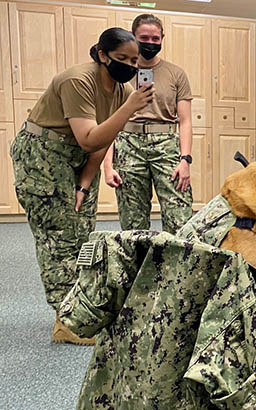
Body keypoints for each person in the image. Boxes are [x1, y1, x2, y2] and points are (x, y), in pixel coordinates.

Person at [10, 27, 154, 344]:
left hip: (78, 158)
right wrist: (130, 108)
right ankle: (66, 322)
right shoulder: (78, 80)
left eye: (134, 60)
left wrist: (85, 184)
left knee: (83, 235)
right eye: (122, 59)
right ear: (102, 55)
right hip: (43, 157)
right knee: (59, 237)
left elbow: (102, 141)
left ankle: (82, 309)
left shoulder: (119, 90)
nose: (130, 66)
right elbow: (89, 136)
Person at [104, 14, 193, 234]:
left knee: (179, 217)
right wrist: (107, 165)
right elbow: (108, 122)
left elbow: (185, 120)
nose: (150, 43)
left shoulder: (176, 74)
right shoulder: (119, 72)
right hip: (128, 143)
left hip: (166, 145)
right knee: (133, 221)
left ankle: (175, 267)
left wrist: (185, 160)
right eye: (144, 38)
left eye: (155, 39)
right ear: (133, 37)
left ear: (163, 38)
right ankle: (138, 267)